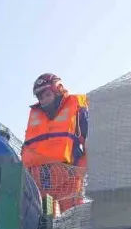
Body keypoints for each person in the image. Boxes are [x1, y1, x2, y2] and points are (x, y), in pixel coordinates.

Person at [20, 73, 89, 213]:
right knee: (41, 220)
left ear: (58, 90)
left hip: (69, 179)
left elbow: (90, 143)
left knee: (73, 218)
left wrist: (80, 170)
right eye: (41, 97)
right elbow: (26, 148)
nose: (44, 100)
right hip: (39, 184)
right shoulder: (35, 116)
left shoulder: (77, 109)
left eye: (47, 95)